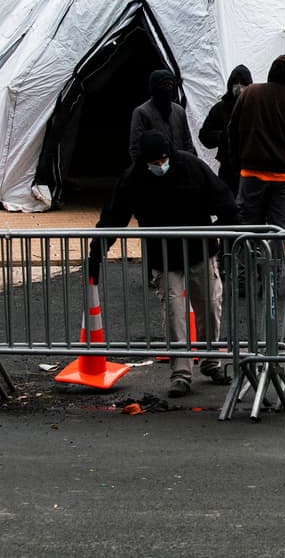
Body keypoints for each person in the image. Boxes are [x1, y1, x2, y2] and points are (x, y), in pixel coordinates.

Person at [89, 130, 237, 398]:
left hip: (199, 251)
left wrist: (229, 228)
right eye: (154, 163)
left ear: (169, 155)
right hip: (165, 258)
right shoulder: (133, 179)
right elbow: (114, 217)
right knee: (174, 313)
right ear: (144, 161)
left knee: (210, 306)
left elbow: (222, 198)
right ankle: (181, 373)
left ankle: (210, 360)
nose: (160, 166)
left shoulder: (191, 166)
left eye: (163, 160)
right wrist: (98, 249)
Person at [226, 54, 285, 228]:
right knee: (279, 228)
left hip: (251, 173)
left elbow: (232, 130)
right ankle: (275, 247)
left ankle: (251, 248)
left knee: (248, 227)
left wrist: (238, 161)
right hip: (284, 176)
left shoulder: (250, 93)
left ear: (271, 71)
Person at [198, 64, 252, 193]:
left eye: (243, 83)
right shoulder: (220, 108)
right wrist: (221, 136)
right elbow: (204, 135)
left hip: (250, 169)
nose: (239, 87)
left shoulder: (254, 107)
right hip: (228, 169)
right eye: (235, 82)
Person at [128, 69, 196, 163]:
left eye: (170, 85)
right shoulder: (142, 113)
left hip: (179, 165)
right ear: (154, 88)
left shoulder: (179, 111)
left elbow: (187, 141)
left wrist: (187, 162)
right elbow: (136, 148)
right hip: (156, 166)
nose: (167, 89)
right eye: (163, 85)